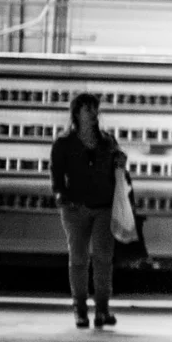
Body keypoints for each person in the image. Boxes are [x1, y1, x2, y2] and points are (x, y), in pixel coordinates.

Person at [50, 93, 126, 329]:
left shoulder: (107, 141)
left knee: (104, 258)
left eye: (95, 109)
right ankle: (80, 309)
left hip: (104, 206)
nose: (93, 114)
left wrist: (121, 161)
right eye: (88, 109)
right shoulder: (64, 143)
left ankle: (102, 309)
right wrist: (61, 195)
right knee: (79, 258)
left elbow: (118, 167)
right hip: (75, 207)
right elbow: (56, 173)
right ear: (76, 114)